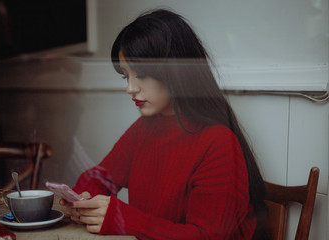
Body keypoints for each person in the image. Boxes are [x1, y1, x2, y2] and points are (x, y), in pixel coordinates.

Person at [60, 9, 268, 240]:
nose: (130, 88)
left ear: (173, 71)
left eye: (140, 75)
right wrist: (81, 197)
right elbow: (101, 176)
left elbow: (205, 237)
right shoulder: (147, 126)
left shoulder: (218, 142)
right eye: (125, 76)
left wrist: (123, 219)